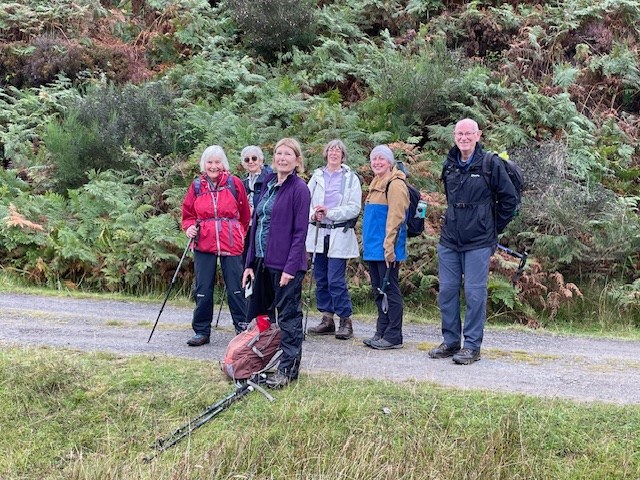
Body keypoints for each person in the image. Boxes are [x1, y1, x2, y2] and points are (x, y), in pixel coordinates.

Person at [429, 118, 518, 365]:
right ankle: (450, 342)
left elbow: (510, 202)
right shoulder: (449, 164)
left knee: (474, 294)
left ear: (478, 135)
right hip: (449, 239)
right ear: (454, 136)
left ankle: (471, 346)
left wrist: (490, 227)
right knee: (446, 290)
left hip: (478, 241)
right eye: (460, 133)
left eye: (469, 133)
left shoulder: (491, 164)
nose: (464, 137)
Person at [242, 138, 311, 388]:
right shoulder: (268, 183)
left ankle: (288, 371)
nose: (282, 158)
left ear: (297, 160)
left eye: (288, 154)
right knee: (262, 317)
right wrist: (249, 263)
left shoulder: (299, 189)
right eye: (279, 153)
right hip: (261, 261)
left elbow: (300, 232)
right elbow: (256, 224)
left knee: (289, 318)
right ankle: (259, 365)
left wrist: (290, 269)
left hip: (285, 266)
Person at [182, 145, 251, 345]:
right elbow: (187, 215)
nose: (214, 166)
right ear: (204, 164)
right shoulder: (196, 186)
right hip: (204, 243)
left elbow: (245, 214)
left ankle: (242, 327)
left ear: (224, 164)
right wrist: (188, 228)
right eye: (210, 162)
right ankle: (202, 331)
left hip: (231, 242)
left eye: (217, 162)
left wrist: (239, 232)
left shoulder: (234, 183)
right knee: (203, 288)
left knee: (236, 288)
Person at [305, 139, 362, 340]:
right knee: (320, 278)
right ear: (326, 153)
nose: (334, 153)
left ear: (343, 155)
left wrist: (330, 212)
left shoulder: (351, 178)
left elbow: (354, 207)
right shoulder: (317, 176)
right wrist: (314, 214)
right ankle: (327, 318)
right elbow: (305, 200)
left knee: (335, 279)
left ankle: (346, 320)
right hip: (319, 233)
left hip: (339, 233)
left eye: (338, 151)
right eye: (331, 150)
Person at [361, 145, 409, 350]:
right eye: (374, 159)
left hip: (387, 248)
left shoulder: (395, 185)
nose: (377, 162)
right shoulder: (376, 183)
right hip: (374, 249)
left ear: (390, 162)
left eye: (382, 159)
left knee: (390, 290)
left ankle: (393, 335)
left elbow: (396, 218)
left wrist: (389, 247)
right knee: (379, 290)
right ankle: (381, 331)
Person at [240, 145, 273, 259]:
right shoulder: (243, 182)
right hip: (246, 226)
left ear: (261, 160)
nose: (251, 162)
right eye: (247, 159)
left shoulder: (269, 179)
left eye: (254, 158)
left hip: (262, 226)